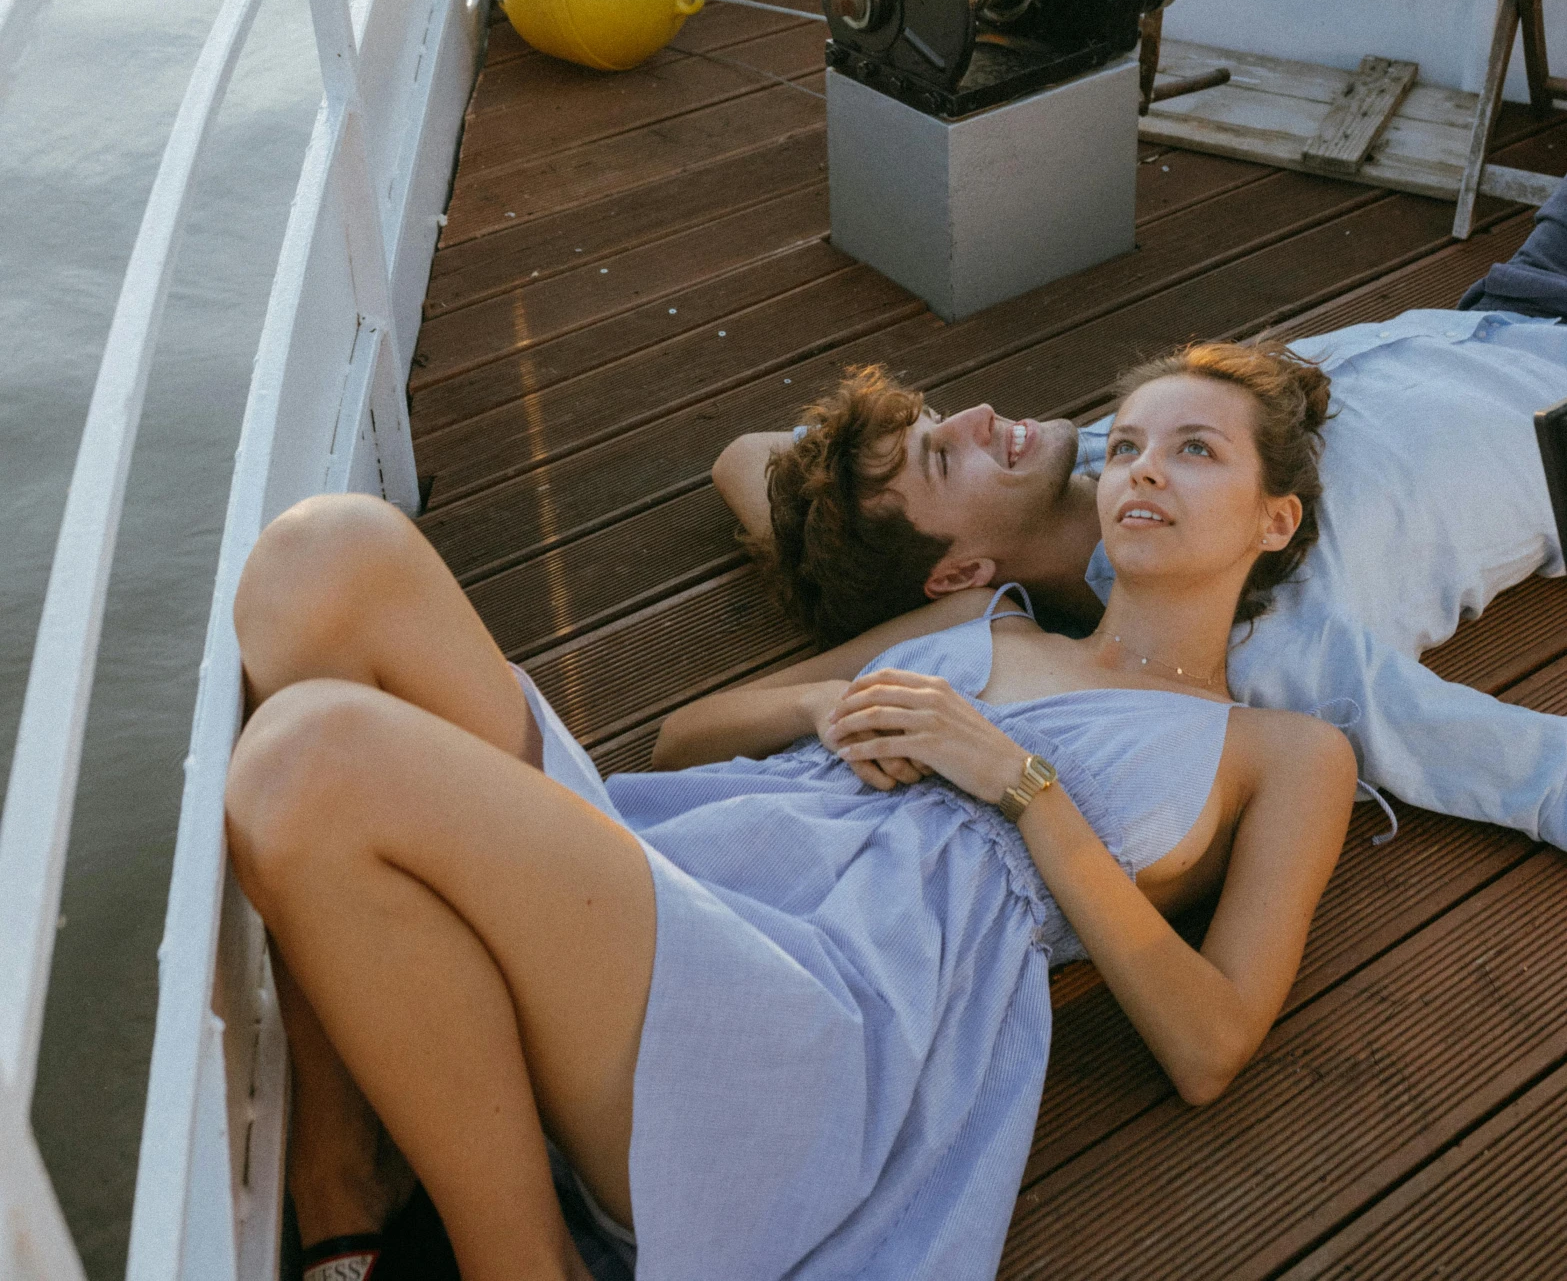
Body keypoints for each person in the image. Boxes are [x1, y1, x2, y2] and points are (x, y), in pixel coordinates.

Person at [226, 343, 1356, 1281]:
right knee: (323, 557)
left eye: (1194, 451)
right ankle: (349, 1159)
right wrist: (825, 702)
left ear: (1273, 520)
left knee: (303, 757)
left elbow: (1208, 1043)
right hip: (681, 877)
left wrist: (1015, 780)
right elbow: (684, 738)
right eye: (1129, 445)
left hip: (811, 1018)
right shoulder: (987, 623)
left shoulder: (1289, 755)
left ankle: (513, 1257)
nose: (1143, 470)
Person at [716, 290, 1567, 848]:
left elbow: (741, 456)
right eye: (944, 457)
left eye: (938, 418)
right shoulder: (1270, 640)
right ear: (957, 574)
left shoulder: (1111, 455)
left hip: (1490, 307)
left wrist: (842, 551)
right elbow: (1534, 774)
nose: (978, 413)